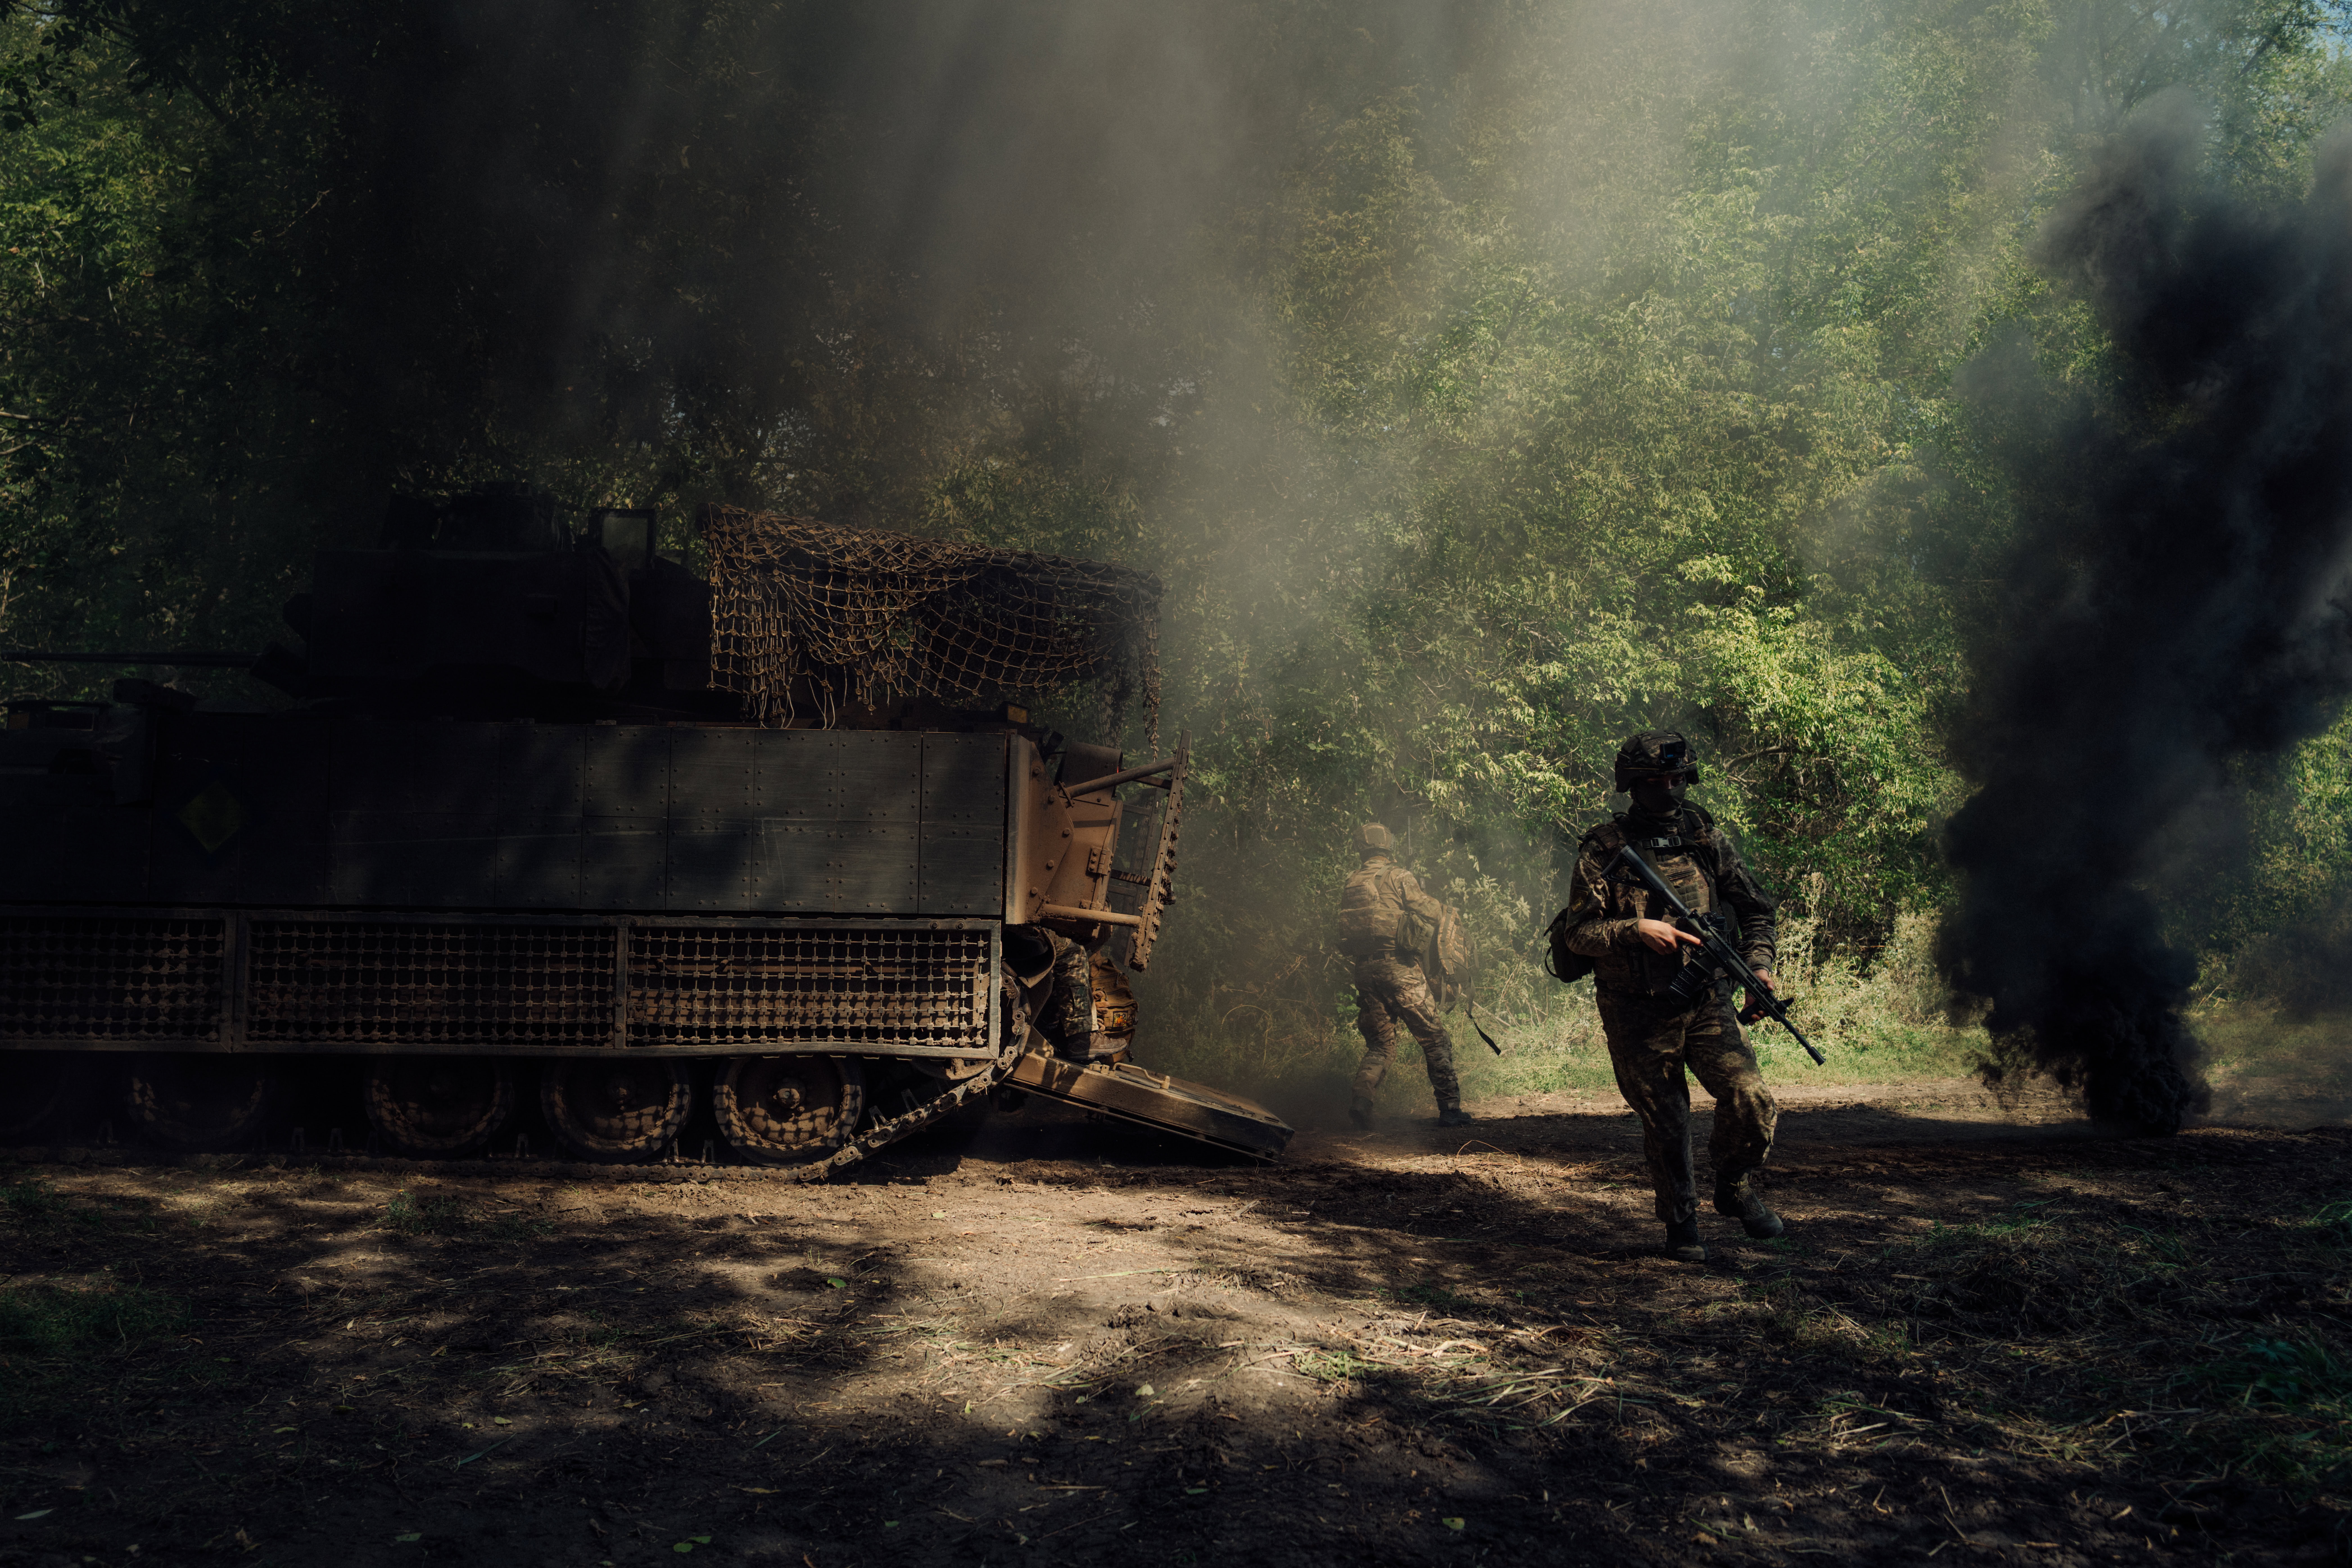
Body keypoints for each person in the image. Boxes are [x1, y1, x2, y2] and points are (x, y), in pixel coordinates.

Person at [1560, 732, 1784, 1262]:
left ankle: (1733, 1188)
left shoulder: (1702, 834)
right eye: (1655, 782)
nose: (1668, 789)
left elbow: (1754, 908)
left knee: (1750, 1097)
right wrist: (1635, 928)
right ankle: (1681, 1223)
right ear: (1632, 787)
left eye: (1677, 779)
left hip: (1706, 997)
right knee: (1668, 1120)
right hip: (1636, 1007)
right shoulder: (1604, 848)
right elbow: (1577, 934)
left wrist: (1759, 966)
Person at [1337, 823, 1471, 1130]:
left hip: (1364, 970)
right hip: (1398, 968)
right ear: (1388, 845)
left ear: (1363, 848)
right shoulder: (1398, 875)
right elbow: (1434, 912)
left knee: (1381, 1045)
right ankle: (1450, 1109)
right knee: (1434, 1037)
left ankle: (1361, 1102)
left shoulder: (1351, 881)